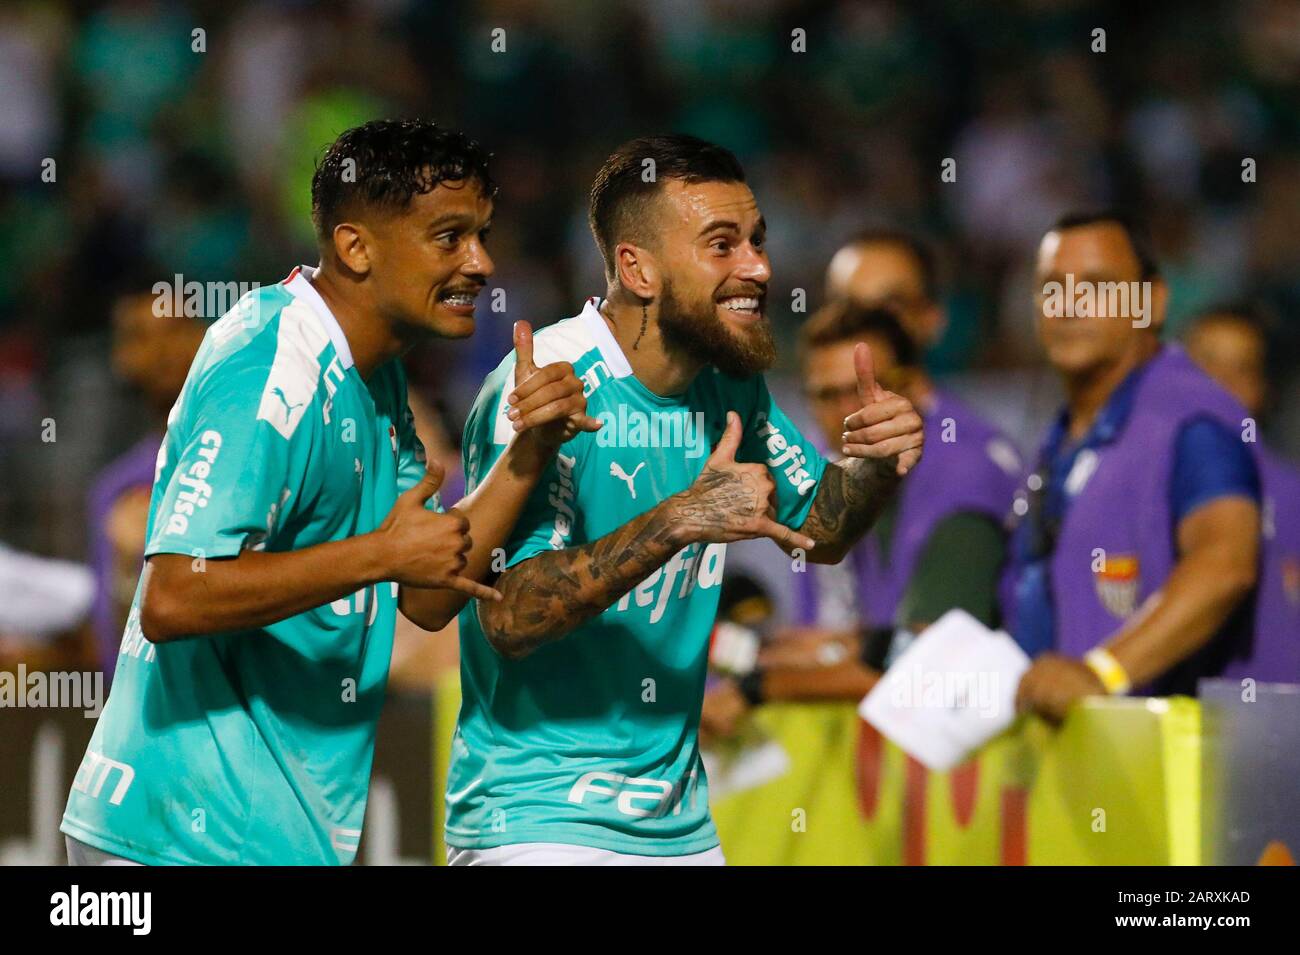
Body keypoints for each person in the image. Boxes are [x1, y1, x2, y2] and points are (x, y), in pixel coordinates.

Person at [61, 119, 598, 866]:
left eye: (481, 234)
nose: (482, 262)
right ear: (355, 247)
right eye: (450, 237)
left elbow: (427, 590)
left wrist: (529, 452)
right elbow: (173, 596)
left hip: (270, 837)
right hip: (179, 832)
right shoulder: (270, 367)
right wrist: (378, 554)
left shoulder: (377, 377)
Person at [445, 134, 925, 865]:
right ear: (637, 267)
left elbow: (820, 526)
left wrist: (876, 465)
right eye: (722, 245)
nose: (758, 268)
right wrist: (677, 519)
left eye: (757, 242)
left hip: (680, 829)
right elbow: (508, 611)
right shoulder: (548, 387)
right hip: (541, 818)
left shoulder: (727, 384)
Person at [701, 303, 1020, 733]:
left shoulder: (963, 480)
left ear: (912, 385)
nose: (846, 413)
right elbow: (847, 635)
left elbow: (928, 661)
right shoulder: (823, 475)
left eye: (862, 389)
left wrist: (761, 687)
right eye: (825, 395)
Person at [1008, 211, 1261, 723]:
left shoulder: (1190, 419)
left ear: (1152, 301)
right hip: (1088, 775)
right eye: (1052, 288)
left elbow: (1225, 563)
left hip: (1184, 776)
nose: (1071, 305)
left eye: (1098, 286)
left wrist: (1103, 672)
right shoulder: (1060, 439)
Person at [87, 287, 208, 682]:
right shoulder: (114, 491)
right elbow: (113, 647)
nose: (161, 350)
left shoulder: (256, 449)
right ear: (121, 357)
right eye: (141, 336)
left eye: (175, 329)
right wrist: (127, 570)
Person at [1185, 305, 1300, 681]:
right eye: (1206, 362)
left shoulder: (1292, 496)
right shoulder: (1138, 484)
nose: (1220, 381)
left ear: (1263, 388)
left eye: (1242, 369)